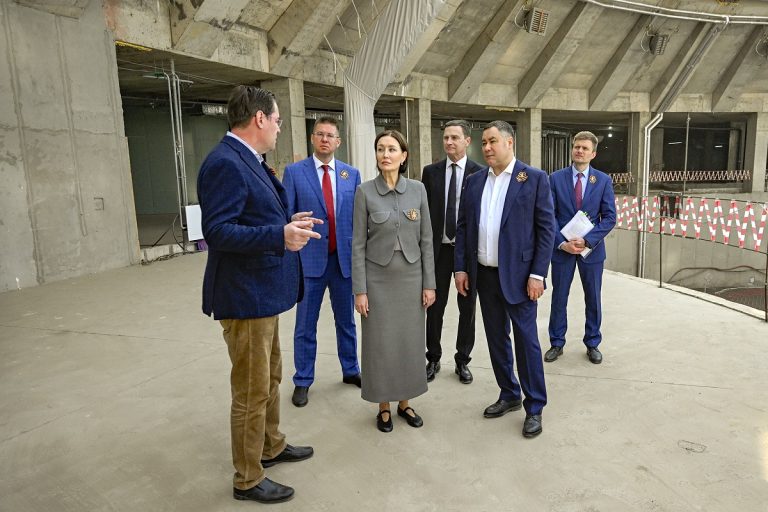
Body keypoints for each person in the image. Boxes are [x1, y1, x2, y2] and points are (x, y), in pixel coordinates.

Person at [198, 85, 317, 503]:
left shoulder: (248, 159)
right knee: (251, 390)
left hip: (262, 294)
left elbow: (252, 215)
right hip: (245, 296)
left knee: (270, 377)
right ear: (259, 118)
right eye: (278, 120)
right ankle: (248, 477)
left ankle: (270, 445)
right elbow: (217, 231)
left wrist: (287, 221)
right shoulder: (225, 163)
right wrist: (279, 235)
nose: (280, 128)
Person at [454, 120, 555, 438]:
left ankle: (534, 406)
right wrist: (461, 268)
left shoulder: (533, 179)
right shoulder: (474, 181)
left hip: (521, 278)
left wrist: (538, 274)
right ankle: (509, 393)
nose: (486, 148)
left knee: (526, 342)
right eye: (483, 142)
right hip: (484, 275)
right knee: (496, 338)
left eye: (492, 141)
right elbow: (463, 227)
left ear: (509, 143)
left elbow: (546, 230)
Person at [352, 129, 436, 433]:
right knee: (380, 344)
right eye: (380, 149)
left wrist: (429, 284)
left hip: (412, 280)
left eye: (391, 149)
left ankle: (405, 403)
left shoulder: (418, 190)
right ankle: (383, 406)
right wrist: (360, 290)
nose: (385, 154)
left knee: (408, 343)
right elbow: (357, 245)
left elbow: (426, 240)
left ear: (403, 156)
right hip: (377, 282)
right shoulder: (364, 192)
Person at [282, 117, 362, 407]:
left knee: (346, 321)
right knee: (305, 324)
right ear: (312, 138)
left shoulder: (351, 174)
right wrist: (291, 219)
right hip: (309, 261)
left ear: (338, 142)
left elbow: (358, 218)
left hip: (342, 262)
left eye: (330, 135)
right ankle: (303, 379)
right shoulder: (294, 173)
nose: (325, 139)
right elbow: (284, 214)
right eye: (320, 134)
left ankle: (351, 369)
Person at [545, 131, 616, 365]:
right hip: (563, 249)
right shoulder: (555, 178)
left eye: (585, 148)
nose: (580, 151)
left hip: (591, 251)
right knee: (559, 297)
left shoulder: (603, 181)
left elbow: (609, 217)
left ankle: (593, 343)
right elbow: (549, 215)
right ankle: (556, 342)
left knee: (593, 297)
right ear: (572, 149)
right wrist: (561, 243)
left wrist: (587, 241)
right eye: (577, 147)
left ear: (593, 154)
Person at [421, 120, 483, 384]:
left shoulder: (480, 173)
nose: (449, 142)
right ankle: (433, 358)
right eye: (446, 137)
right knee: (434, 307)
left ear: (467, 141)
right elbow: (424, 213)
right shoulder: (430, 172)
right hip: (439, 251)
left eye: (455, 138)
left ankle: (462, 360)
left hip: (467, 253)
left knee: (467, 309)